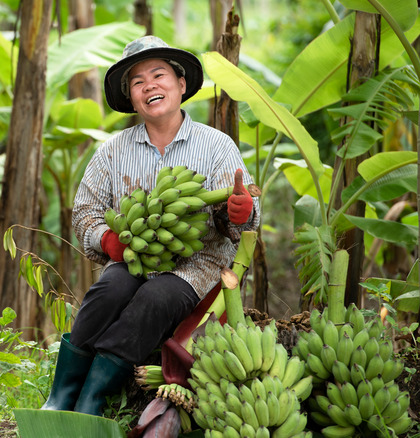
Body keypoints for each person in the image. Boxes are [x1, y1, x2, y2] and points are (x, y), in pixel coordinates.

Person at [41, 36, 261, 417]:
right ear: (131, 98)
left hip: (197, 265)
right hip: (132, 257)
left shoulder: (216, 146)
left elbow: (244, 218)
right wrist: (108, 240)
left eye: (158, 75)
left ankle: (93, 396)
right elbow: (84, 212)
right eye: (137, 82)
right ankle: (61, 395)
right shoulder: (112, 151)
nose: (149, 86)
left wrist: (239, 211)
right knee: (109, 290)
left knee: (155, 298)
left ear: (180, 84)